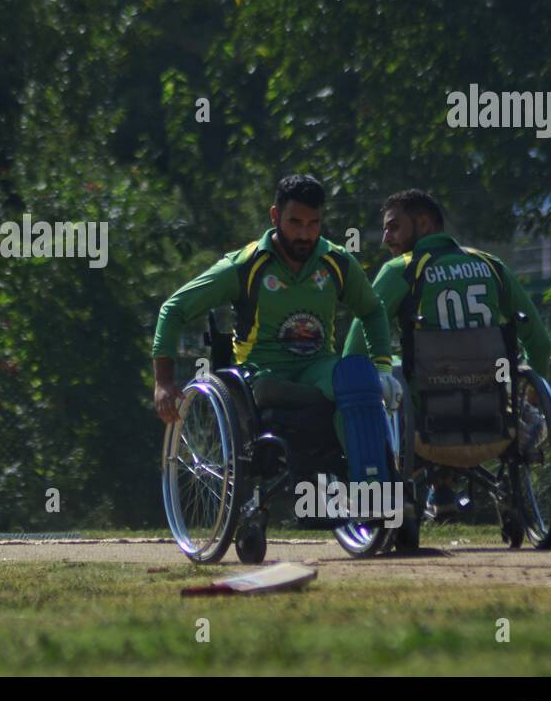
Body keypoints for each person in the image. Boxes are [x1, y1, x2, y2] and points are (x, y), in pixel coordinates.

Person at [153, 174, 396, 488]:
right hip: (263, 372)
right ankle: (350, 461)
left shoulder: (336, 262)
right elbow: (173, 309)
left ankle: (375, 488)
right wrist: (163, 382)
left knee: (359, 377)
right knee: (326, 389)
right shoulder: (244, 266)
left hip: (318, 368)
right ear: (274, 216)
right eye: (295, 223)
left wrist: (383, 370)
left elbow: (373, 311)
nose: (304, 234)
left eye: (313, 224)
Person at [341, 189, 551, 518]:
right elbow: (540, 343)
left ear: (423, 223)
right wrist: (530, 402)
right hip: (495, 421)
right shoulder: (491, 265)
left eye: (393, 227)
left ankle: (406, 491)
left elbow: (355, 349)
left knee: (392, 371)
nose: (386, 239)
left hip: (426, 425)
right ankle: (443, 485)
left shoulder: (402, 270)